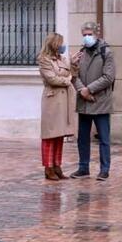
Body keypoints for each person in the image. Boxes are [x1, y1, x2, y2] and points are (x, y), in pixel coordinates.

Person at [70, 21, 115, 181]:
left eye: (89, 34)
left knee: (104, 138)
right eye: (84, 35)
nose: (87, 37)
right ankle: (83, 167)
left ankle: (104, 169)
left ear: (96, 34)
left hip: (100, 101)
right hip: (84, 102)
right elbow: (74, 76)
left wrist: (89, 89)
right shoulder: (81, 53)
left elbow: (108, 77)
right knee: (83, 137)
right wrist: (82, 90)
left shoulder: (106, 52)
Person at [38, 32, 76, 180]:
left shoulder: (63, 59)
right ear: (54, 44)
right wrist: (67, 79)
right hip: (52, 100)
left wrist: (74, 65)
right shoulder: (44, 60)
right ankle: (48, 168)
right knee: (50, 135)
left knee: (60, 135)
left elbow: (72, 73)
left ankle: (57, 166)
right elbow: (52, 78)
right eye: (60, 43)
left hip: (64, 100)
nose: (63, 46)